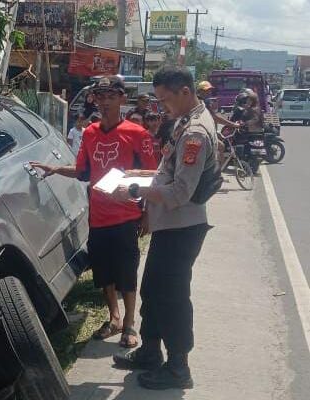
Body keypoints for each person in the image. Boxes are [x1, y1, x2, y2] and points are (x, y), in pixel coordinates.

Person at [31, 76, 158, 348]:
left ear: (122, 99)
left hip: (126, 216)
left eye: (111, 96)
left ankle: (129, 324)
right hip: (98, 216)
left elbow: (151, 175)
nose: (105, 102)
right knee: (103, 271)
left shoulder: (138, 134)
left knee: (127, 271)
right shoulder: (89, 133)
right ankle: (114, 317)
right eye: (101, 96)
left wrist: (147, 212)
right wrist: (55, 169)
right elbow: (83, 171)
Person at [113, 67, 217, 390]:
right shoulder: (185, 120)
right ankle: (150, 351)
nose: (161, 107)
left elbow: (179, 192)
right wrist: (141, 175)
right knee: (153, 291)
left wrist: (135, 190)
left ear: (185, 91)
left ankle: (178, 367)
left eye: (165, 100)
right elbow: (169, 172)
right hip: (169, 226)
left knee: (172, 297)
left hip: (181, 228)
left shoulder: (195, 133)